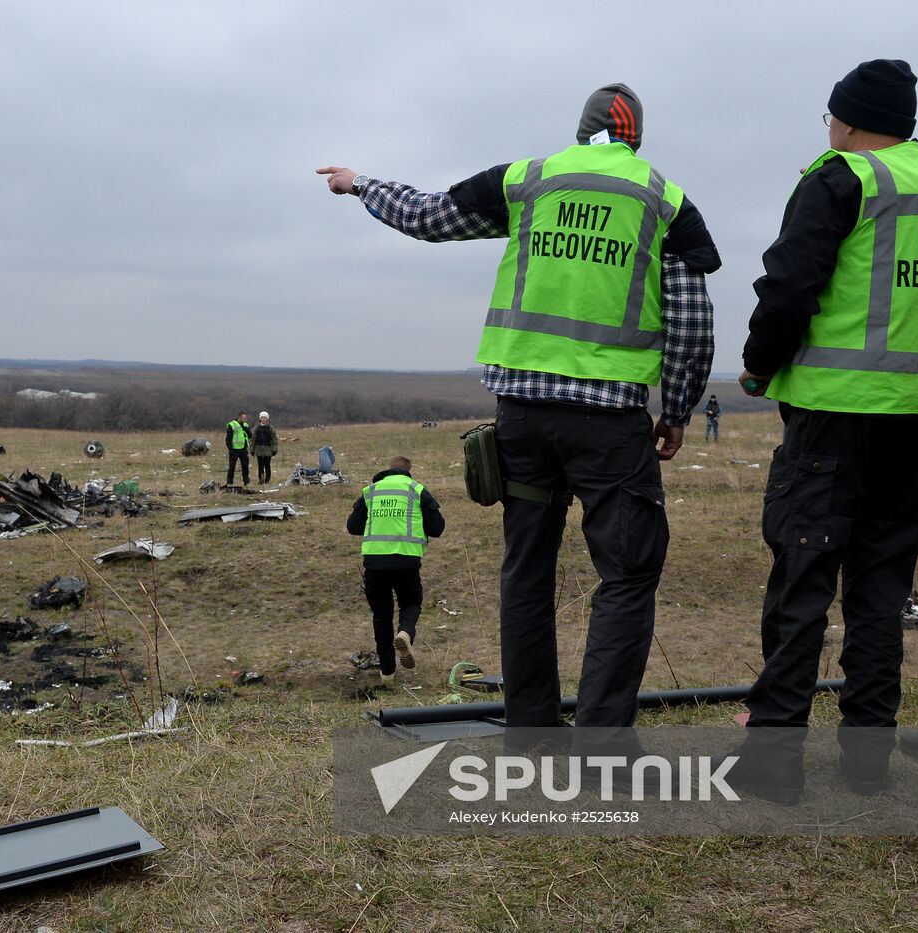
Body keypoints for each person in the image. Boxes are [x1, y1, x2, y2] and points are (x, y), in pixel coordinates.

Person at [320, 84, 718, 755]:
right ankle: (602, 744)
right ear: (635, 139)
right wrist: (677, 408)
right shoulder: (663, 199)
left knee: (527, 566)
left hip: (523, 420)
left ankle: (531, 731)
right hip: (610, 423)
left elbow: (427, 215)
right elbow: (692, 321)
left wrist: (362, 184)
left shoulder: (528, 181)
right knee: (626, 572)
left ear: (581, 130)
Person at [726, 60, 918, 801]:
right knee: (878, 593)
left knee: (802, 584)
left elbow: (790, 283)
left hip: (831, 418)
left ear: (852, 120)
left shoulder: (842, 177)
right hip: (909, 424)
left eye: (832, 116)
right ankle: (867, 764)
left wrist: (759, 365)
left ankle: (772, 765)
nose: (828, 127)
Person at [346, 456, 444, 682]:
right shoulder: (417, 489)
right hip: (406, 561)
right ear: (409, 471)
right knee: (411, 603)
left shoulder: (371, 491)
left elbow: (353, 526)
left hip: (374, 563)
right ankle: (405, 633)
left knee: (381, 614)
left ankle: (387, 672)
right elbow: (438, 528)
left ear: (388, 469)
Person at [224, 411, 251, 486]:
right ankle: (229, 482)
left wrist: (247, 429)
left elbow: (249, 436)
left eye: (245, 418)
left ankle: (246, 481)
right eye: (243, 418)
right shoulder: (232, 425)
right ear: (239, 417)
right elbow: (228, 439)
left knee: (245, 466)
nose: (245, 419)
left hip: (243, 449)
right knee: (232, 467)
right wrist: (230, 449)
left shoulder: (245, 425)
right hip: (234, 450)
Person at [251, 411, 278, 483]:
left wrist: (274, 449)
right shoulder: (257, 428)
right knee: (260, 466)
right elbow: (253, 439)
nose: (263, 419)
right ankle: (261, 479)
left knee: (267, 466)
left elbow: (274, 439)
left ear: (267, 419)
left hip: (268, 450)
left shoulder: (270, 428)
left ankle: (267, 480)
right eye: (262, 417)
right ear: (260, 419)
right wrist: (252, 449)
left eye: (265, 417)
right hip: (259, 450)